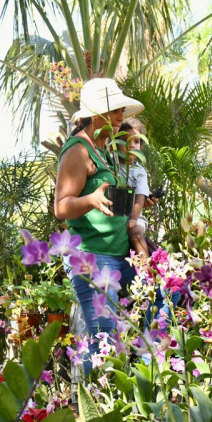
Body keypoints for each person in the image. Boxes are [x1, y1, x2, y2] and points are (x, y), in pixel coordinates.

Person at [54, 78, 145, 337]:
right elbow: (60, 207)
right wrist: (90, 200)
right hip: (92, 257)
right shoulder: (78, 151)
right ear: (96, 115)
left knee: (161, 298)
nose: (121, 117)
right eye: (115, 110)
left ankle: (148, 362)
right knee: (104, 338)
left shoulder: (104, 151)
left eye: (121, 110)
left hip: (121, 254)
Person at [118, 118, 152, 258]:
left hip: (135, 216)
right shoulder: (111, 164)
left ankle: (146, 268)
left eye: (136, 141)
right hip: (116, 216)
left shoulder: (139, 172)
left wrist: (133, 219)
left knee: (136, 235)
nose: (131, 145)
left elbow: (140, 197)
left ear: (141, 146)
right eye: (126, 141)